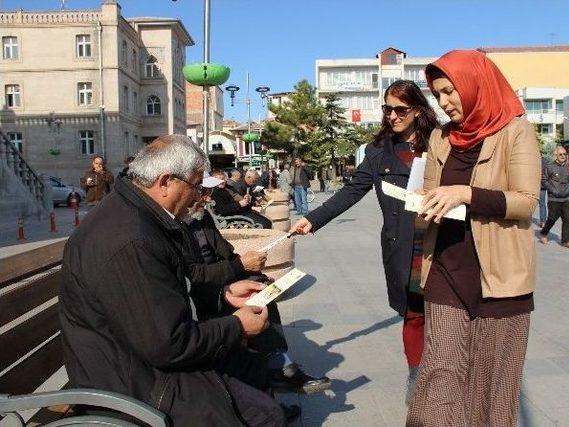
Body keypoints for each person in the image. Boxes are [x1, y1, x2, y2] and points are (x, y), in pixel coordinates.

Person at [60, 135, 286, 427]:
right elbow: (169, 344)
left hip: (138, 361)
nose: (198, 195)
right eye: (194, 185)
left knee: (252, 368)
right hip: (131, 384)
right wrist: (236, 324)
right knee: (266, 416)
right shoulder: (131, 239)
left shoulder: (139, 215)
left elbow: (166, 290)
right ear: (166, 182)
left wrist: (223, 295)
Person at [406, 50, 540, 426]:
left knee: (492, 386)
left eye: (450, 91)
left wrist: (466, 194)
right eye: (438, 95)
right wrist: (421, 202)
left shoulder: (516, 131)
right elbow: (434, 194)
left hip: (501, 278)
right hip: (446, 268)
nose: (445, 102)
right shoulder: (439, 138)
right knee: (439, 375)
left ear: (475, 84)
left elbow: (526, 202)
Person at [289, 80, 439, 403]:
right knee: (413, 315)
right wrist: (313, 219)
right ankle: (416, 373)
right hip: (403, 246)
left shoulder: (440, 144)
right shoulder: (378, 152)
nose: (393, 116)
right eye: (388, 109)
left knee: (444, 315)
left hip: (438, 244)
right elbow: (351, 192)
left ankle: (443, 375)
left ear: (417, 110)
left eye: (401, 109)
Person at [184, 175, 331, 396]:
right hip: (202, 295)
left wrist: (248, 269)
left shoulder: (200, 217)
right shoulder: (174, 227)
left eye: (208, 193)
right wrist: (237, 272)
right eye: (202, 192)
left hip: (221, 280)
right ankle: (277, 373)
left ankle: (278, 366)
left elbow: (225, 251)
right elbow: (194, 275)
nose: (207, 199)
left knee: (264, 289)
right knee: (254, 302)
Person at [540, 146, 569, 247]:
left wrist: (568, 190)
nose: (563, 156)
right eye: (561, 154)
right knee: (552, 218)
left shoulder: (567, 167)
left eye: (564, 154)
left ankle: (566, 241)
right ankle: (544, 233)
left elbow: (567, 181)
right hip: (554, 198)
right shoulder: (549, 166)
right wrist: (553, 190)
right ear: (556, 156)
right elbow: (544, 179)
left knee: (568, 220)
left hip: (566, 197)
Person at [539, 156, 548, 227]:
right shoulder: (546, 161)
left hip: (534, 185)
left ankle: (525, 220)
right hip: (543, 185)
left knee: (529, 203)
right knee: (542, 204)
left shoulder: (533, 159)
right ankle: (543, 222)